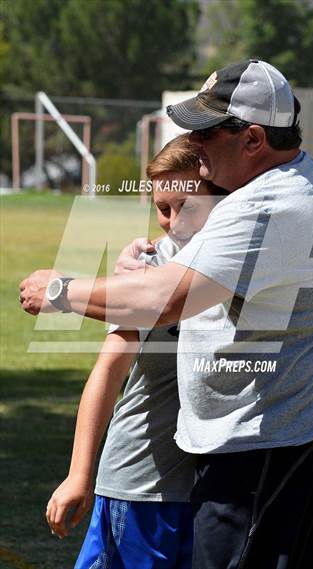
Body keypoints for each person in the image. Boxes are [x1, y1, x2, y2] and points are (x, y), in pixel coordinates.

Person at [20, 59, 313, 568]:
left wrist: (62, 291)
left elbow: (167, 299)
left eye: (206, 130)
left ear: (253, 139)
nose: (193, 142)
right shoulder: (304, 179)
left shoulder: (264, 205)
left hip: (270, 450)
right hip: (306, 441)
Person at [45, 134, 227, 568]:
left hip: (209, 488)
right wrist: (78, 474)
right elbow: (107, 374)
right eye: (162, 209)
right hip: (142, 482)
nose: (171, 221)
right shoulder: (146, 270)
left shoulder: (239, 254)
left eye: (185, 205)